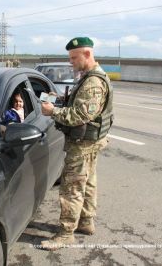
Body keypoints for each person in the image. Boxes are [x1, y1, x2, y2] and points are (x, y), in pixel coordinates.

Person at [40, 37, 114, 250]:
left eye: (74, 57)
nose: (71, 62)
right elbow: (81, 107)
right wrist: (60, 101)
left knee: (72, 188)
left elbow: (79, 116)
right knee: (88, 183)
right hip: (91, 142)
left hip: (82, 145)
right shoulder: (88, 77)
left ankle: (65, 234)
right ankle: (86, 222)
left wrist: (52, 111)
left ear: (87, 54)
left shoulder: (93, 82)